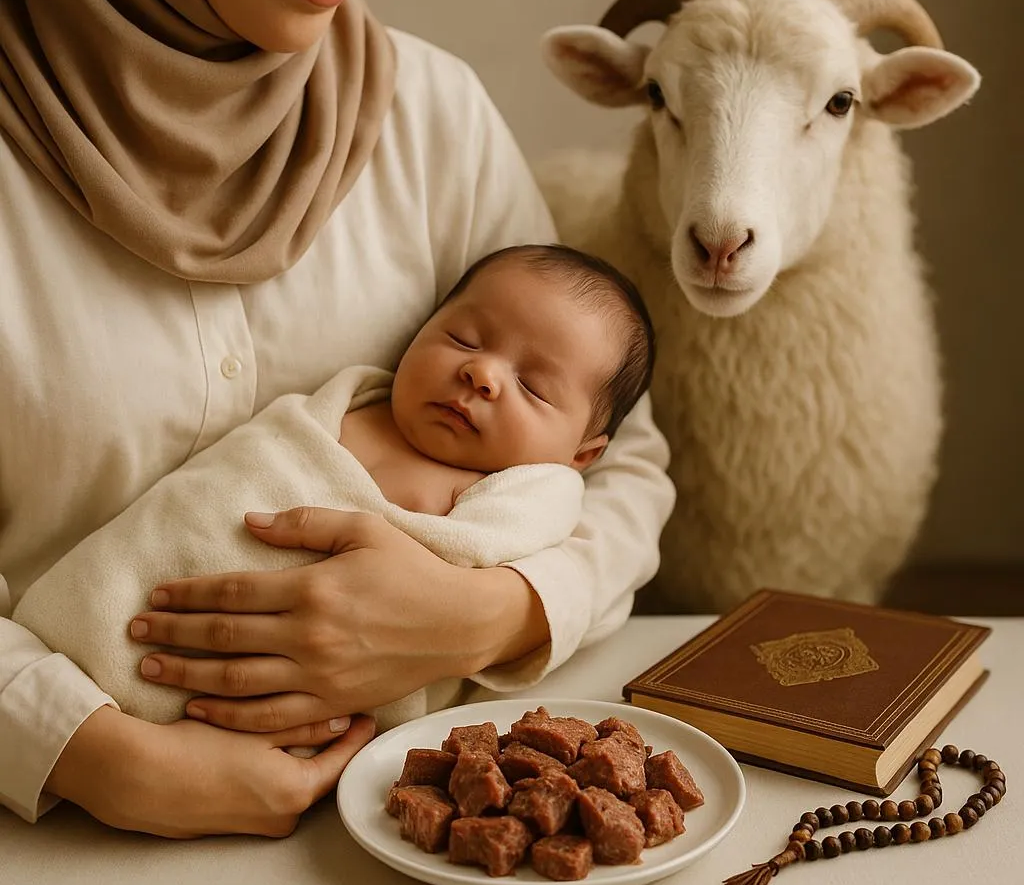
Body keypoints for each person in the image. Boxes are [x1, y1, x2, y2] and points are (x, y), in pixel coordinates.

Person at [0, 0, 674, 838]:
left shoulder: (432, 117)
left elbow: (619, 463)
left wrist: (485, 614)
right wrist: (79, 748)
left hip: (407, 830)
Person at [15, 243, 657, 735]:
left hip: (270, 709)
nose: (482, 371)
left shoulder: (521, 500)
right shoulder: (338, 408)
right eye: (462, 337)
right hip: (94, 625)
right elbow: (202, 500)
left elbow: (468, 597)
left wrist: (484, 613)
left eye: (535, 387)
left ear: (581, 455)